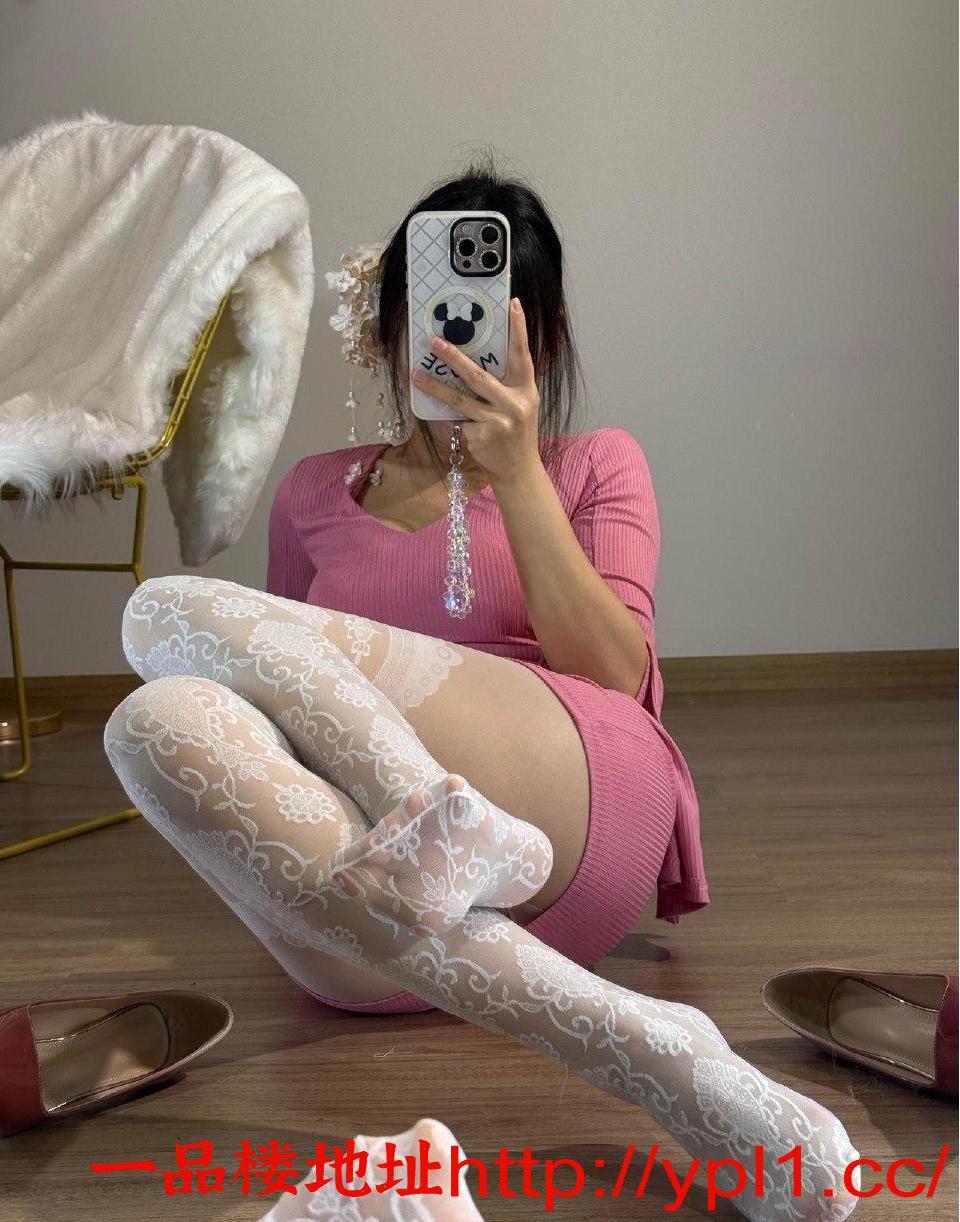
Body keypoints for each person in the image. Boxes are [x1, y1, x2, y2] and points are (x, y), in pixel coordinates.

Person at [105, 166, 859, 1220]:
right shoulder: (316, 490)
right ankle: (646, 1043)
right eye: (432, 308)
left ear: (541, 336)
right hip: (388, 936)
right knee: (152, 721)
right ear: (387, 327)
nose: (457, 335)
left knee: (160, 614)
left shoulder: (594, 465)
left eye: (494, 315)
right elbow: (267, 704)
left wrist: (518, 475)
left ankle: (431, 809)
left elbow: (617, 676)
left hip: (569, 813)